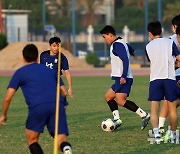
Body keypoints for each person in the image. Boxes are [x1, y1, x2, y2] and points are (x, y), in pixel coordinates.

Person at [0, 44, 72, 154]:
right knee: (61, 141)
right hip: (58, 105)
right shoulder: (51, 71)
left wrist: (3, 115)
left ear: (23, 58)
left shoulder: (20, 72)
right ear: (38, 57)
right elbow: (63, 91)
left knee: (32, 140)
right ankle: (67, 149)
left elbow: (7, 98)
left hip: (38, 106)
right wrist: (64, 103)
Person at [100, 25, 150, 130]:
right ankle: (117, 119)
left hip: (123, 78)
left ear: (110, 35)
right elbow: (129, 47)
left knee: (120, 101)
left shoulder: (117, 45)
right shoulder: (121, 42)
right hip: (121, 78)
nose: (104, 39)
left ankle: (144, 115)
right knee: (108, 97)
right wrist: (132, 51)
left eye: (105, 37)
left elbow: (125, 60)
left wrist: (123, 76)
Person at [145, 21, 180, 143]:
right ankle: (173, 135)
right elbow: (179, 58)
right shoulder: (170, 42)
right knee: (172, 110)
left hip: (155, 79)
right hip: (169, 78)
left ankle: (157, 135)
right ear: (161, 31)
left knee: (154, 110)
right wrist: (175, 63)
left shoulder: (148, 46)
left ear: (150, 33)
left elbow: (152, 60)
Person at [158, 15, 180, 137]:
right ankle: (163, 127)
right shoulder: (170, 41)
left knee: (169, 101)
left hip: (172, 75)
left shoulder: (169, 41)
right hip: (173, 75)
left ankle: (162, 127)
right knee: (170, 101)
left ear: (173, 27)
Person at [40, 36, 74, 108]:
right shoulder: (43, 55)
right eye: (54, 46)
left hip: (57, 81)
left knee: (63, 97)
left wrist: (70, 87)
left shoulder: (62, 57)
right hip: (45, 82)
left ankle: (61, 115)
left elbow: (67, 72)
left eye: (58, 46)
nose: (56, 48)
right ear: (50, 46)